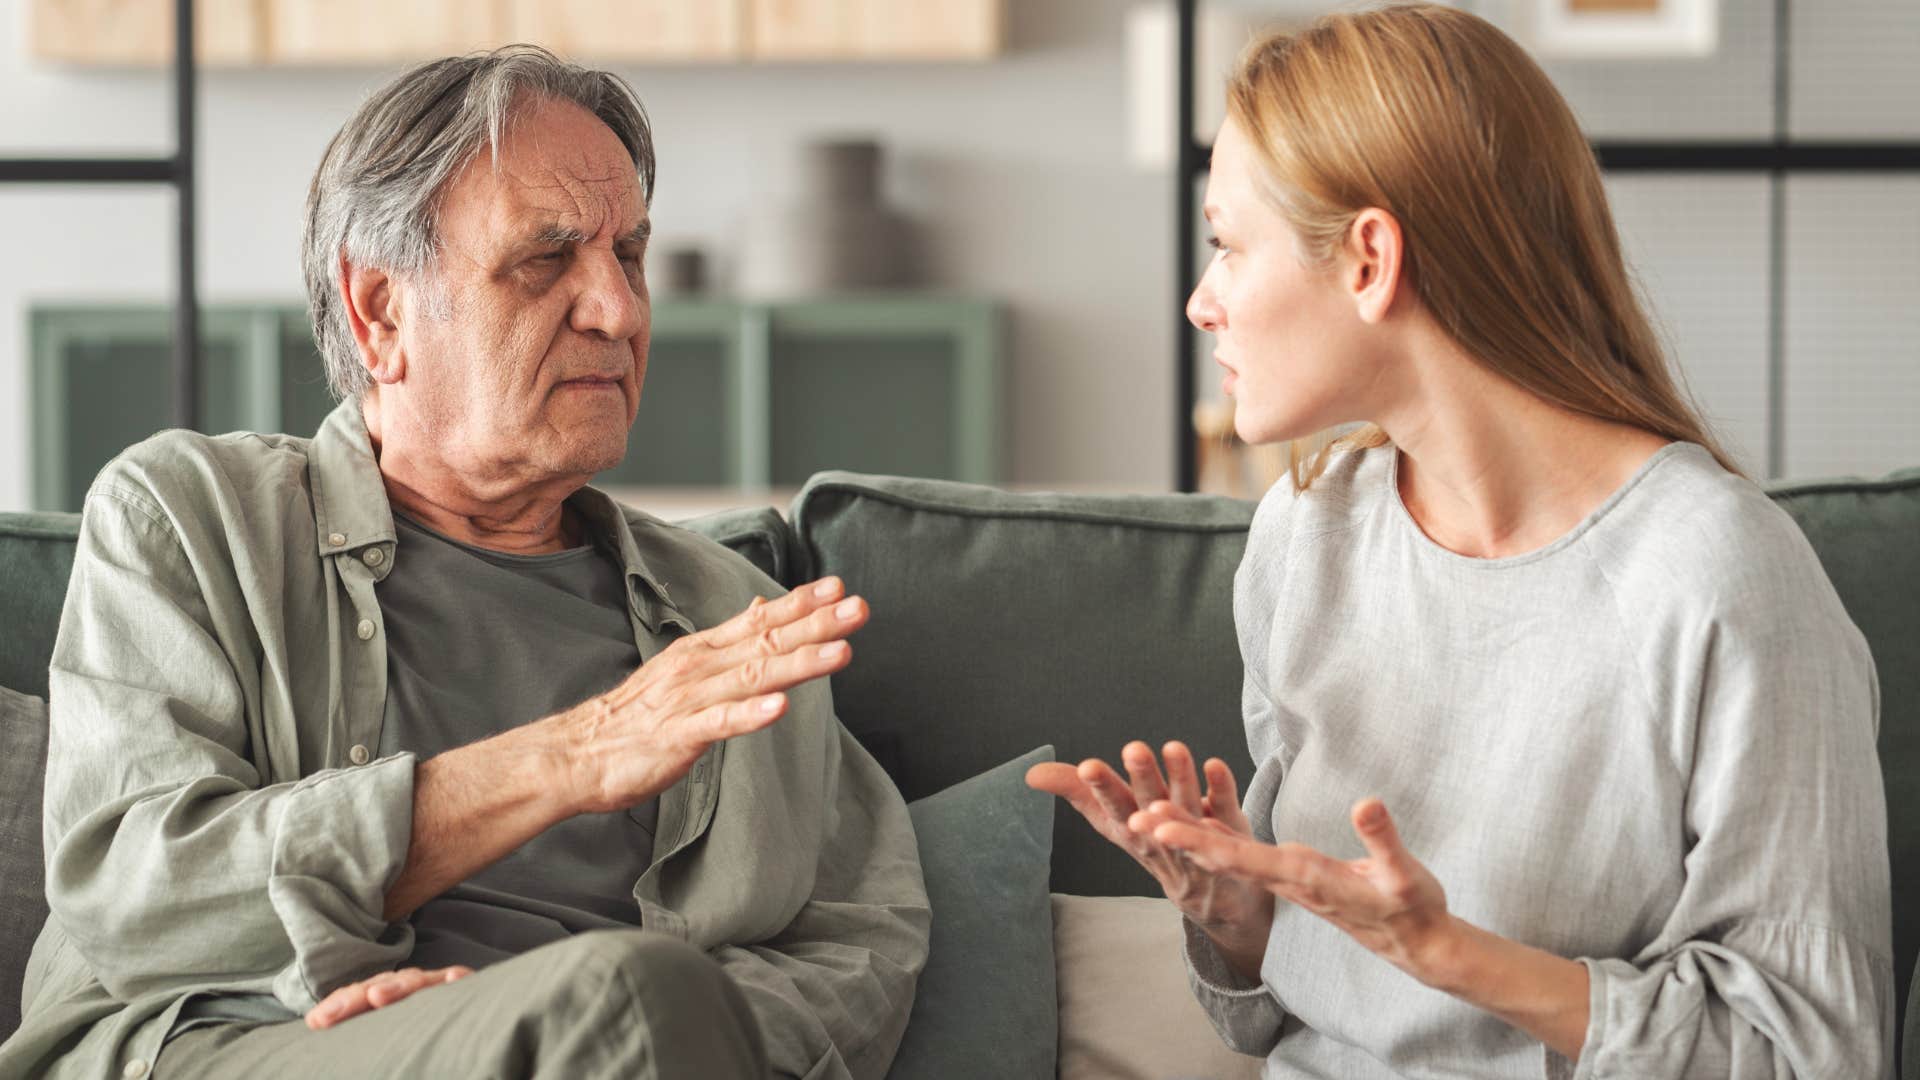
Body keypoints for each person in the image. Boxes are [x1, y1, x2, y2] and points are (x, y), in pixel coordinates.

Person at [0, 47, 928, 1080]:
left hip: (609, 1054)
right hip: (244, 1045)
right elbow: (139, 896)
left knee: (629, 1001)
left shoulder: (734, 624)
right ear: (381, 312)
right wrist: (573, 756)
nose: (617, 310)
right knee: (625, 993)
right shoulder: (192, 521)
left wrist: (583, 1030)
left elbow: (855, 944)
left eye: (630, 255)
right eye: (547, 258)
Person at [1029, 5, 1893, 1076]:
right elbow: (1282, 1021)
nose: (1203, 303)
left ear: (1369, 261)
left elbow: (1815, 1051)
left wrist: (1458, 959)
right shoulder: (1308, 536)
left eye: (1226, 245)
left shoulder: (1719, 580)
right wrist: (1239, 920)